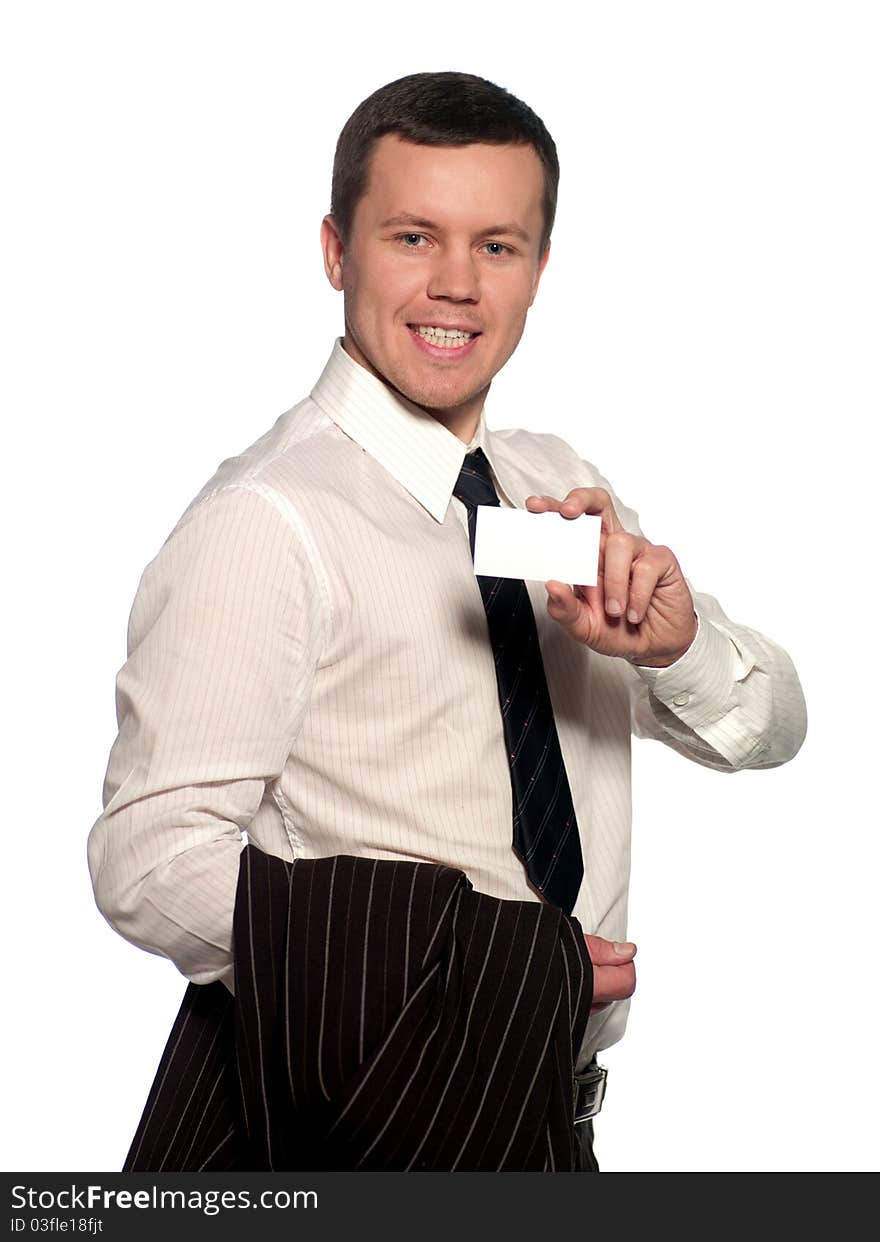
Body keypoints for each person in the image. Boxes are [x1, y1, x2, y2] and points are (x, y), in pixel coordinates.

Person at [87, 70, 807, 1172]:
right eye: (414, 237)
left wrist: (675, 646)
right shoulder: (267, 522)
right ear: (336, 251)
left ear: (538, 270)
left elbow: (772, 730)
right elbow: (144, 862)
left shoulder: (557, 489)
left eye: (497, 246)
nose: (457, 284)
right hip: (360, 1117)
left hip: (545, 1127)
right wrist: (488, 967)